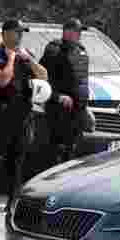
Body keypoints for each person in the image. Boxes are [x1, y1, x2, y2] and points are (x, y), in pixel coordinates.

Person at [0, 19, 49, 217]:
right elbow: (2, 80)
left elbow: (43, 76)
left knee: (17, 160)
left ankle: (12, 202)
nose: (20, 36)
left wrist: (29, 60)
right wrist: (11, 59)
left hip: (23, 114)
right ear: (6, 34)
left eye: (21, 33)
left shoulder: (25, 55)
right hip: (2, 112)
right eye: (16, 32)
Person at [39, 18, 90, 168]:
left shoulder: (81, 50)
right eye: (76, 31)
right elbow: (43, 77)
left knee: (73, 149)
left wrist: (86, 107)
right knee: (56, 150)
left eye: (79, 32)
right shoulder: (54, 50)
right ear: (67, 32)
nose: (79, 35)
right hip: (59, 109)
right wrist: (57, 96)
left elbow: (82, 80)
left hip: (78, 110)